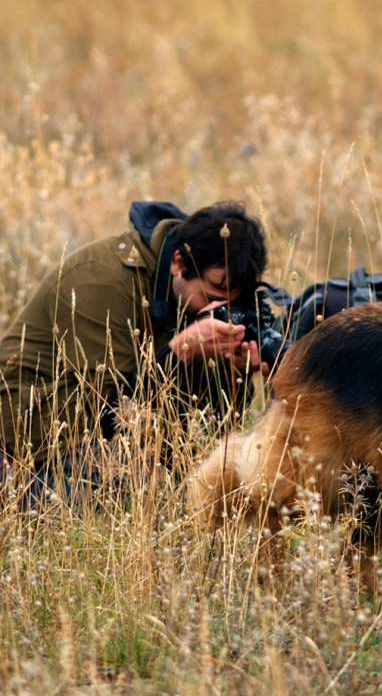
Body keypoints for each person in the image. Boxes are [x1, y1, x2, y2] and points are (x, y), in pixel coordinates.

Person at [0, 200, 269, 501]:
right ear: (178, 262)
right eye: (210, 297)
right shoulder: (101, 280)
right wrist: (180, 350)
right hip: (30, 426)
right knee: (145, 480)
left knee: (222, 471)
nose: (215, 310)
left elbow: (206, 428)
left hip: (102, 428)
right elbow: (109, 410)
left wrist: (237, 371)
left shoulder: (186, 295)